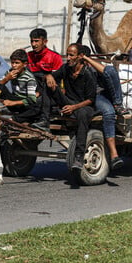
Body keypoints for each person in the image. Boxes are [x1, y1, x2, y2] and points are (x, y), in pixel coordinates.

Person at [45, 43, 96, 171]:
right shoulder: (66, 68)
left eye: (71, 55)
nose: (68, 58)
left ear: (80, 57)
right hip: (67, 102)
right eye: (67, 55)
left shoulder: (88, 74)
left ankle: (79, 156)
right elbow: (52, 76)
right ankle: (43, 119)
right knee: (49, 86)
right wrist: (49, 76)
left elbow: (90, 99)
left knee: (83, 115)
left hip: (83, 106)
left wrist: (73, 107)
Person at [79, 45, 128, 170]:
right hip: (94, 97)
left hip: (105, 94)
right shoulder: (72, 68)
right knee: (109, 113)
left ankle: (118, 104)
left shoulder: (94, 66)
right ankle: (114, 155)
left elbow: (107, 72)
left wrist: (87, 60)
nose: (69, 58)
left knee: (111, 70)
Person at [0, 49, 43, 127]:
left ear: (24, 64)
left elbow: (31, 99)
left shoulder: (29, 78)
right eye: (12, 63)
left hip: (24, 105)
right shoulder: (10, 72)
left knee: (36, 107)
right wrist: (6, 79)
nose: (14, 65)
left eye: (17, 63)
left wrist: (12, 103)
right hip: (14, 100)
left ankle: (13, 120)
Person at [26, 28, 63, 130]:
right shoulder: (28, 56)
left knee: (46, 87)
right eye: (32, 41)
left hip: (50, 93)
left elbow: (56, 81)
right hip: (33, 90)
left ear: (45, 41)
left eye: (36, 41)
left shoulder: (55, 57)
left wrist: (47, 76)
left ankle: (44, 120)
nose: (33, 44)